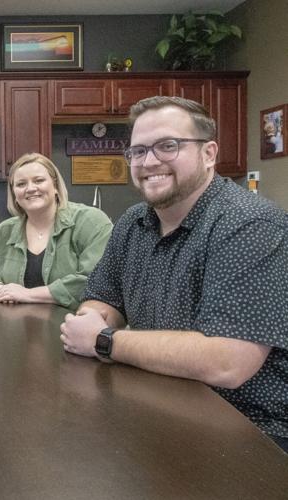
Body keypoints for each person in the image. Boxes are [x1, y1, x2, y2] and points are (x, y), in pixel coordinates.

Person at [59, 96, 288, 452]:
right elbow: (102, 297)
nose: (149, 162)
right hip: (159, 403)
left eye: (168, 146)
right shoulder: (133, 223)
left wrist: (103, 340)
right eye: (137, 151)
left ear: (209, 153)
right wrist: (95, 318)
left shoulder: (249, 225)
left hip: (252, 431)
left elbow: (229, 362)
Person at [0, 153, 112, 310]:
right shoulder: (5, 231)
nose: (30, 188)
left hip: (76, 326)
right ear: (14, 194)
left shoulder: (90, 221)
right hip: (16, 327)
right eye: (21, 184)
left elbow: (94, 280)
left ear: (55, 186)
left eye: (39, 180)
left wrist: (27, 294)